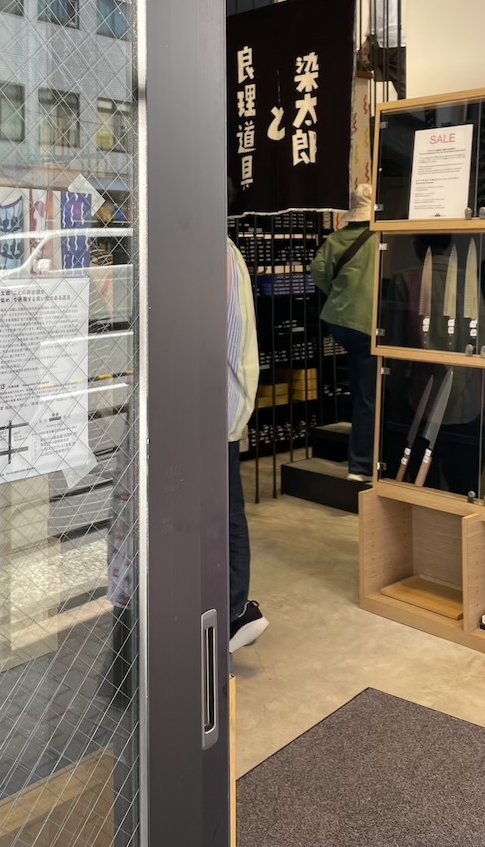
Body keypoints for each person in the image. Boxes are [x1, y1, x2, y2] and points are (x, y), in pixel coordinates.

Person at [309, 183, 378, 480]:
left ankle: (363, 459)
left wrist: (338, 294)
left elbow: (317, 270)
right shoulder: (380, 237)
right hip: (370, 324)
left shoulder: (336, 238)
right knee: (369, 396)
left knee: (361, 388)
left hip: (340, 321)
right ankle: (362, 464)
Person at [227, 219, 269, 652]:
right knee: (224, 509)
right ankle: (232, 607)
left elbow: (235, 345)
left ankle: (235, 609)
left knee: (226, 510)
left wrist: (235, 414)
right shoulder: (219, 252)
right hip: (210, 411)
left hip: (214, 413)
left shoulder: (220, 254)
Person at [353, 0, 406, 100]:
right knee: (402, 86)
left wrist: (369, 39)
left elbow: (378, 13)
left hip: (384, 41)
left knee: (354, 65)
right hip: (396, 40)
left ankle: (354, 106)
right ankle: (408, 111)